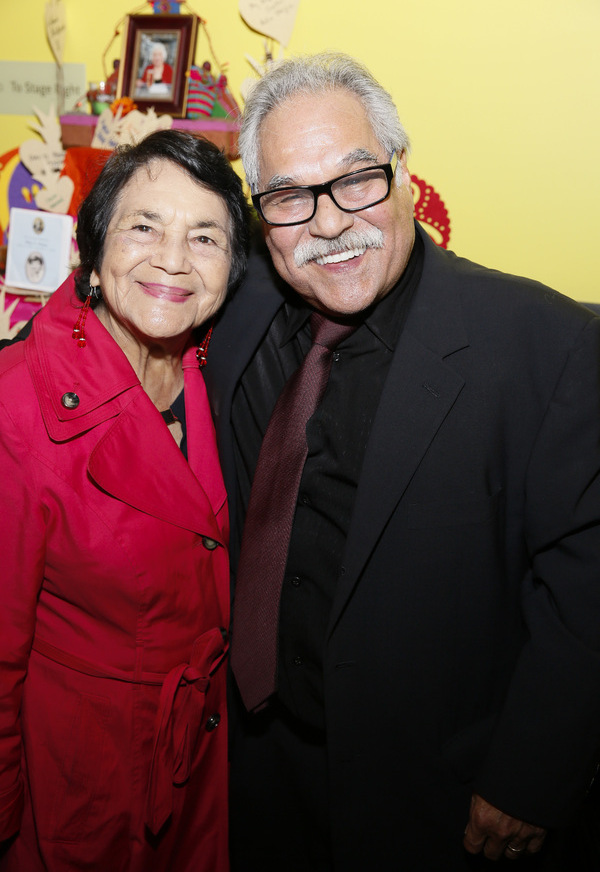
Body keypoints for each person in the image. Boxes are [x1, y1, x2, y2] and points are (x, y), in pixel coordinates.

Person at [200, 53, 600, 869]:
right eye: (289, 197)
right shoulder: (234, 311)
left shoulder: (547, 345)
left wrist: (533, 777)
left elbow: (587, 587)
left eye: (356, 179)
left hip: (435, 797)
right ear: (259, 214)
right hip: (255, 774)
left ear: (405, 174)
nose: (328, 221)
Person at [0, 129, 251, 870]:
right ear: (95, 248)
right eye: (145, 226)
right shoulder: (18, 405)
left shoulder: (218, 375)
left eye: (204, 236)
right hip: (79, 776)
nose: (174, 260)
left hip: (200, 761)